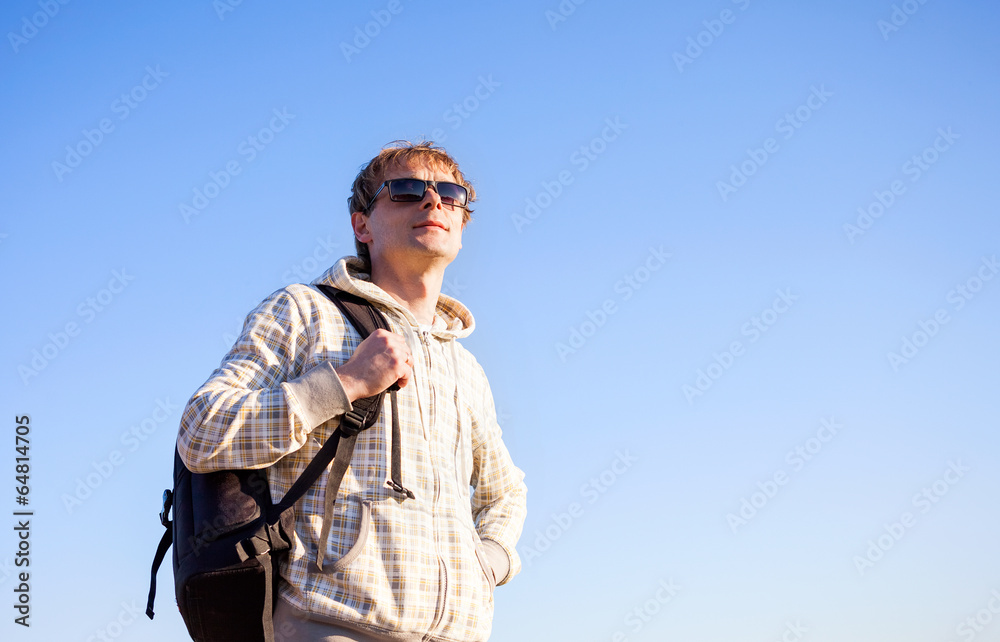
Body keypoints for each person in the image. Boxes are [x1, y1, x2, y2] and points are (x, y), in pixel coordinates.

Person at [176, 141, 527, 641]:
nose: (432, 202)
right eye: (405, 191)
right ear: (361, 225)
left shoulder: (465, 367)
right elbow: (203, 430)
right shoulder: (303, 311)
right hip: (332, 624)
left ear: (462, 223)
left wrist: (486, 563)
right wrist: (343, 384)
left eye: (450, 194)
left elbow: (505, 491)